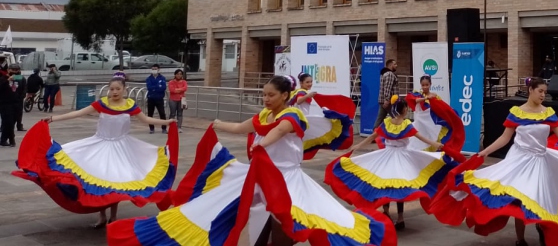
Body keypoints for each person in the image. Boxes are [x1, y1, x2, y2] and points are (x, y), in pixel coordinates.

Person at [107, 76, 393, 246]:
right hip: (259, 176)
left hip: (286, 179)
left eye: (271, 95)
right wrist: (218, 124)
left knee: (289, 223)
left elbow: (276, 135)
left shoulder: (293, 116)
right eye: (264, 95)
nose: (266, 99)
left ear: (285, 95)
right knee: (225, 211)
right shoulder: (265, 115)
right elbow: (244, 127)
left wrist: (261, 145)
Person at [430, 77, 558, 246]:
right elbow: (504, 139)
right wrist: (484, 152)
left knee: (539, 198)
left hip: (541, 162)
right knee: (519, 199)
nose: (542, 95)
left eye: (544, 92)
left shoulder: (548, 113)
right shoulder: (516, 112)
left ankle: (543, 226)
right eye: (540, 91)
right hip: (519, 161)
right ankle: (520, 239)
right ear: (530, 90)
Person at [13, 77, 177, 228]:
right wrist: (54, 118)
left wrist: (167, 122)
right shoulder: (102, 104)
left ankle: (113, 216)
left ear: (124, 90)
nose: (114, 92)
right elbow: (78, 113)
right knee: (100, 180)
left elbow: (147, 120)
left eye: (117, 89)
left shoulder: (130, 106)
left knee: (116, 181)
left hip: (122, 148)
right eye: (111, 89)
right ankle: (102, 216)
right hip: (100, 145)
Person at [326, 95, 460, 231]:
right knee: (399, 188)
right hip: (402, 157)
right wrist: (435, 144)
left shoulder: (387, 123)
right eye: (406, 108)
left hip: (387, 156)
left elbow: (373, 136)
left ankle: (387, 213)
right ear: (404, 110)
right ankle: (400, 218)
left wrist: (357, 146)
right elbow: (421, 137)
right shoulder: (405, 124)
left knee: (385, 186)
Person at [289, 72, 355, 158]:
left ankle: (295, 154)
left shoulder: (298, 91)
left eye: (311, 82)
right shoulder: (302, 92)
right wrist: (308, 95)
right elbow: (299, 101)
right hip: (301, 118)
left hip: (299, 118)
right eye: (307, 82)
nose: (310, 84)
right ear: (301, 83)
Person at [405, 75, 464, 152]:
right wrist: (425, 98)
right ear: (420, 85)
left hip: (432, 123)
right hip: (421, 123)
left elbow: (441, 108)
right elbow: (414, 100)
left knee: (432, 137)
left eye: (427, 85)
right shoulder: (418, 94)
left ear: (430, 84)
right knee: (419, 139)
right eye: (423, 85)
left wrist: (451, 112)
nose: (425, 87)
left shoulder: (434, 96)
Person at [375, 58, 399, 129]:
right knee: (397, 117)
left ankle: (374, 135)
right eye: (395, 64)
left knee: (380, 119)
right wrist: (387, 100)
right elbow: (387, 88)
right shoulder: (390, 74)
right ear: (391, 65)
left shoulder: (385, 74)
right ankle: (400, 133)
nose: (396, 65)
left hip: (385, 101)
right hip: (389, 101)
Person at [145, 64, 168, 134]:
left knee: (162, 113)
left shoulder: (162, 78)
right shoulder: (148, 78)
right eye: (153, 69)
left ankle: (164, 128)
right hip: (151, 98)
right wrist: (157, 87)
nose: (154, 70)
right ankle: (151, 128)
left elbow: (163, 87)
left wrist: (155, 88)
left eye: (155, 69)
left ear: (158, 69)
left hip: (159, 98)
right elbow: (149, 87)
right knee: (150, 114)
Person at [0, 69, 17, 147]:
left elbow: (17, 88)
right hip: (4, 103)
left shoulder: (15, 78)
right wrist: (7, 80)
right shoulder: (3, 79)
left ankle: (4, 139)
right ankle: (10, 140)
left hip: (14, 103)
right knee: (8, 122)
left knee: (10, 122)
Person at [9, 64, 26, 131]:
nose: (14, 71)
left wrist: (21, 96)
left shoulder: (21, 78)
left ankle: (19, 125)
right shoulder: (7, 77)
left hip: (18, 99)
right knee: (8, 114)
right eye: (13, 69)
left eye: (16, 70)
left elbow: (24, 88)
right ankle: (5, 126)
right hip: (8, 99)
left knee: (18, 113)